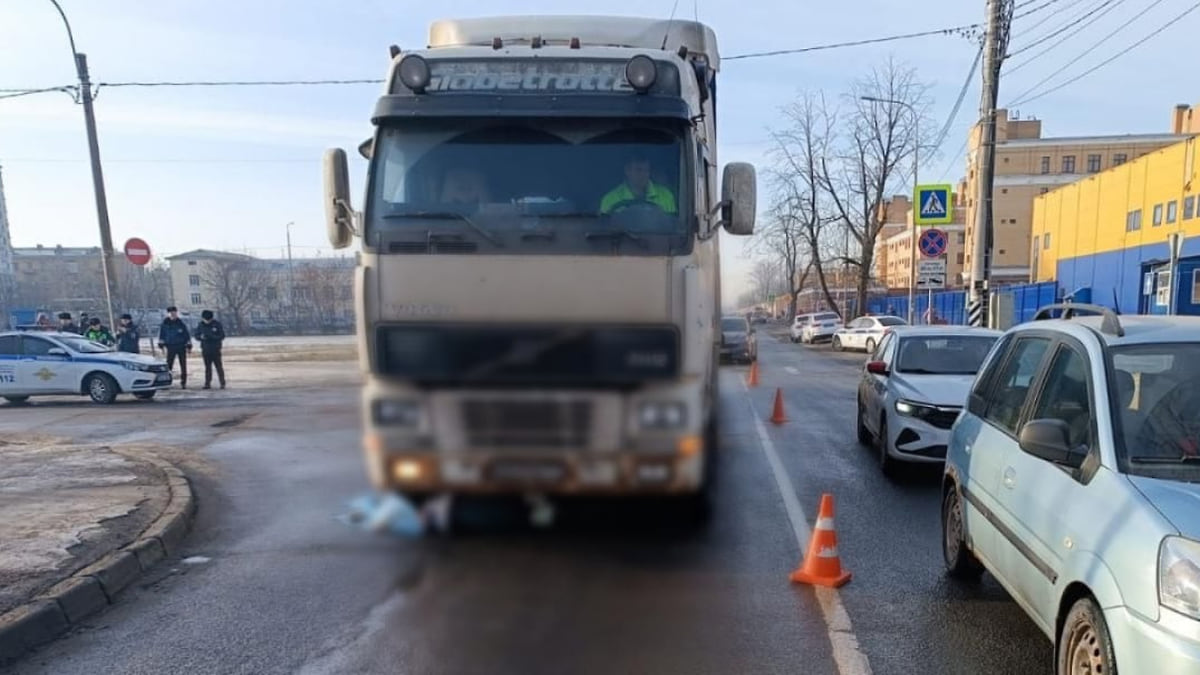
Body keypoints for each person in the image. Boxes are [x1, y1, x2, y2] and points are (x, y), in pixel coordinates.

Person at [599, 154, 676, 214]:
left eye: (647, 170)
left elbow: (672, 226)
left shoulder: (666, 196)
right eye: (639, 170)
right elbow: (605, 229)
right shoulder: (610, 200)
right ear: (627, 171)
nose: (644, 174)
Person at [158, 306, 192, 389]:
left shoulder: (181, 324)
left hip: (181, 346)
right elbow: (161, 335)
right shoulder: (165, 324)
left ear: (176, 313)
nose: (173, 314)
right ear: (168, 314)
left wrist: (188, 345)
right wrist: (161, 344)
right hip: (170, 346)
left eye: (174, 312)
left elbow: (186, 336)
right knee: (169, 365)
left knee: (183, 365)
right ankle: (166, 382)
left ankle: (183, 382)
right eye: (171, 313)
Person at [194, 309, 226, 390]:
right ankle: (207, 383)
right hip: (205, 349)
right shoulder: (201, 325)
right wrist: (201, 337)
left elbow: (222, 335)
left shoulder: (217, 324)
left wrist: (213, 337)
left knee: (219, 367)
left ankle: (222, 383)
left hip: (215, 349)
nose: (207, 321)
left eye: (208, 320)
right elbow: (196, 335)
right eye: (205, 320)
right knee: (207, 368)